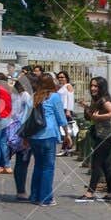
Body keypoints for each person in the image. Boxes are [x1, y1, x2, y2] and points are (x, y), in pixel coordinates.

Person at [25, 73, 73, 205]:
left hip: (34, 135)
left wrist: (25, 136)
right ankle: (46, 198)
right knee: (48, 167)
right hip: (48, 134)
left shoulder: (33, 97)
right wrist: (67, 134)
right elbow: (61, 117)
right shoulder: (54, 97)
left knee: (38, 166)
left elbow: (25, 117)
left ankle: (35, 195)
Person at [79, 77, 111, 201]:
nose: (93, 88)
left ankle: (90, 193)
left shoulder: (104, 100)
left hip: (106, 136)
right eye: (91, 86)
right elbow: (93, 117)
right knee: (106, 163)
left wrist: (101, 117)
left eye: (96, 86)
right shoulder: (96, 100)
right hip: (101, 134)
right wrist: (86, 107)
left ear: (101, 87)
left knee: (96, 163)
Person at [8, 79, 33, 197]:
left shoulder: (13, 95)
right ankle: (21, 191)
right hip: (22, 131)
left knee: (18, 161)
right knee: (23, 161)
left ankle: (20, 190)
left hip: (11, 129)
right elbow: (27, 115)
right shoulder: (26, 96)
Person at [54, 71, 76, 154]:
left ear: (66, 78)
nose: (60, 79)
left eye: (62, 77)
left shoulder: (68, 86)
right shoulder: (60, 87)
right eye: (59, 77)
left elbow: (70, 99)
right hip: (60, 109)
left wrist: (68, 110)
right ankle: (66, 148)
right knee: (64, 130)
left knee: (65, 129)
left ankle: (65, 148)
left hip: (65, 109)